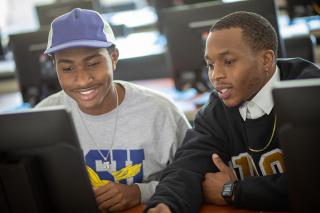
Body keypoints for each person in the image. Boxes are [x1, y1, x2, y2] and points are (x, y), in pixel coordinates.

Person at [145, 11, 320, 213]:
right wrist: (165, 205)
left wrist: (234, 191)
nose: (215, 75)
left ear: (266, 59)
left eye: (228, 61)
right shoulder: (216, 110)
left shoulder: (310, 94)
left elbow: (313, 183)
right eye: (210, 65)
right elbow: (187, 166)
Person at [35, 8, 190, 212]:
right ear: (54, 67)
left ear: (114, 58)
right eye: (67, 68)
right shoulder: (43, 118)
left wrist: (140, 192)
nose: (82, 79)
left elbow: (194, 176)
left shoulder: (160, 111)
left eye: (92, 63)